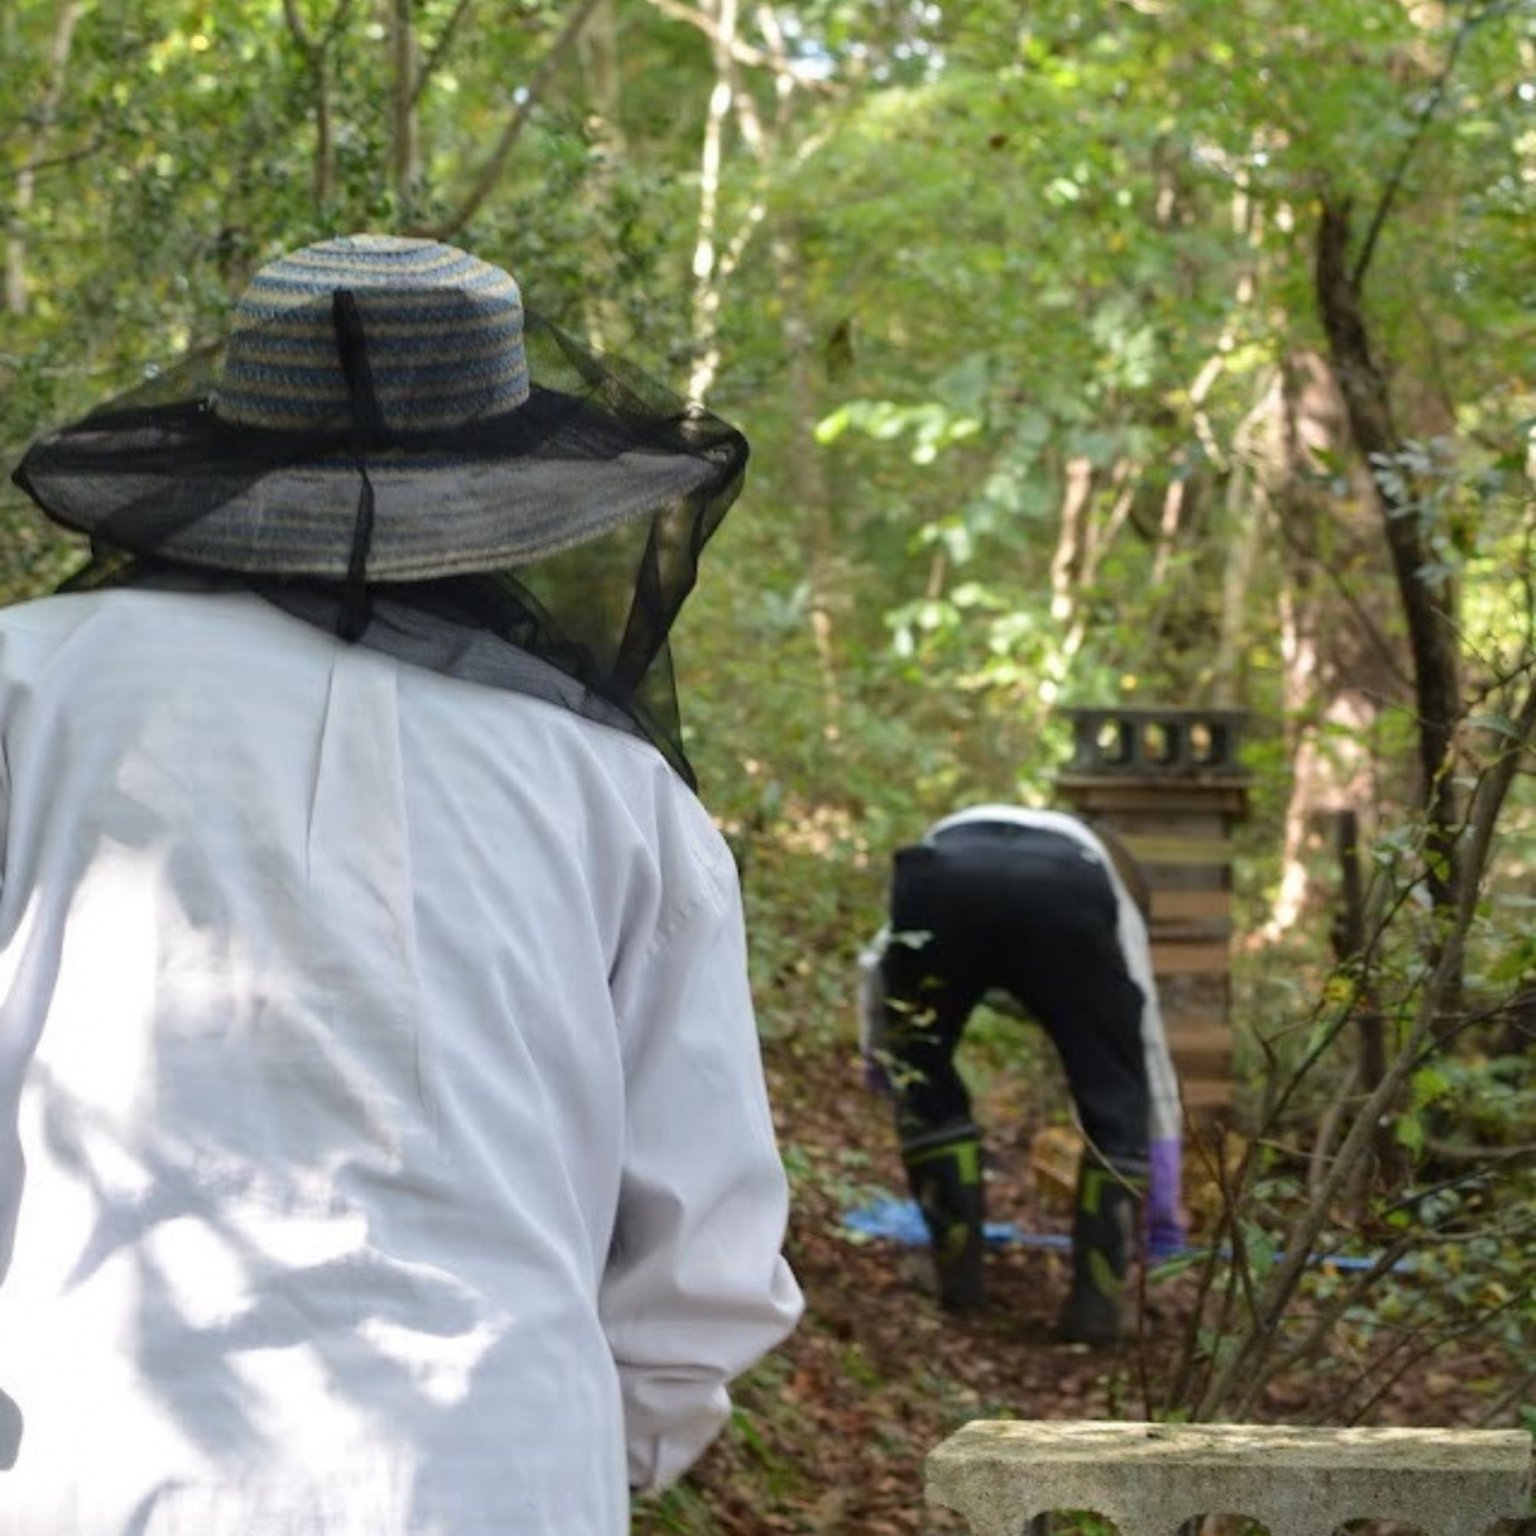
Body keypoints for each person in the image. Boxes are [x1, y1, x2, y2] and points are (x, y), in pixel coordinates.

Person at [0, 233, 802, 1536]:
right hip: (498, 1477)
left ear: (226, 448)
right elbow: (703, 1269)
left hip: (89, 1469)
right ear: (501, 477)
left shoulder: (27, 690)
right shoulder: (617, 790)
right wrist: (579, 1465)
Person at [858, 804, 1184, 1342]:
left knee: (926, 1071)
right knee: (1114, 1092)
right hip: (1064, 897)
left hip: (944, 881)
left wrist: (887, 1062)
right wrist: (1165, 1197)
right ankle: (1097, 1312)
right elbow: (1143, 1037)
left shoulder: (956, 838)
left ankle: (956, 1281)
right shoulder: (1098, 875)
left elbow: (878, 963)